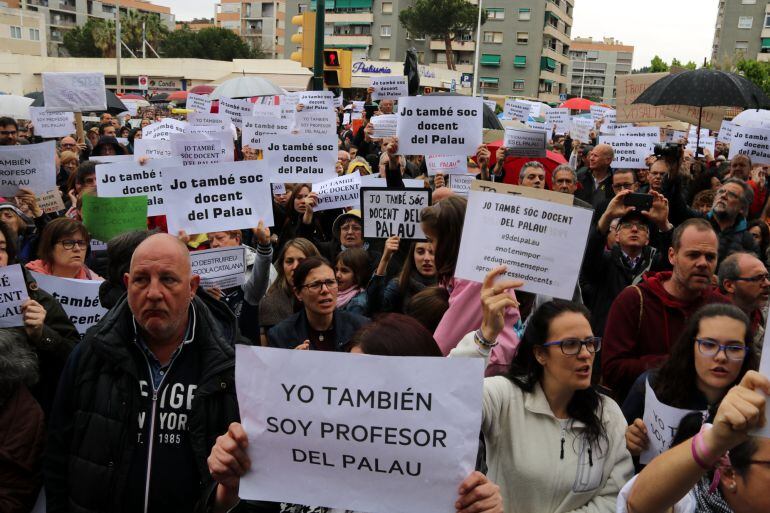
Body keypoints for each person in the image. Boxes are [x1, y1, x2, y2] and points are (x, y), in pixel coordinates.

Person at [207, 314, 503, 513]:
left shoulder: (453, 464)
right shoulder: (304, 442)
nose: (361, 399)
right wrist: (229, 488)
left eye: (379, 388)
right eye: (350, 379)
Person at [44, 233, 244, 512]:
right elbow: (56, 453)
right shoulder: (91, 352)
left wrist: (228, 491)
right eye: (141, 279)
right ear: (127, 285)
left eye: (168, 279)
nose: (153, 292)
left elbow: (250, 485)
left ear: (192, 287)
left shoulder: (231, 365)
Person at [450, 267, 634, 513]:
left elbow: (615, 498)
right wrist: (485, 336)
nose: (585, 354)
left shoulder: (608, 413)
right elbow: (448, 399)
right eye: (570, 344)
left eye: (590, 344)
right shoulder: (505, 396)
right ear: (540, 354)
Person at [602, 218, 729, 400]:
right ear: (672, 256)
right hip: (641, 421)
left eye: (710, 257)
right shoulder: (634, 300)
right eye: (693, 255)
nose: (703, 263)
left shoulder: (723, 309)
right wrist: (675, 363)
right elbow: (612, 371)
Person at [622, 304, 757, 459]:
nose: (721, 356)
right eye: (708, 345)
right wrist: (628, 440)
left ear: (747, 353)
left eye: (734, 348)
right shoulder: (652, 385)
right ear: (691, 345)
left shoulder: (755, 404)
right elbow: (616, 449)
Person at [624, 371, 770, 513]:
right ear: (728, 474)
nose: (720, 357)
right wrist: (713, 440)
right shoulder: (689, 502)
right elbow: (637, 504)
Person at [421, 196, 521, 376]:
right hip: (480, 356)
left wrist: (422, 370)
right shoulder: (460, 268)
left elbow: (446, 339)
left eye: (432, 240)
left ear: (449, 240)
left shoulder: (474, 275)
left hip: (493, 362)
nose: (430, 248)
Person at [0, 222, 79, 415]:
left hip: (21, 420)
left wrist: (42, 334)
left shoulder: (36, 298)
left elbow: (75, 358)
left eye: (1, 248)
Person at [582, 190, 673, 336]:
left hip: (645, 336)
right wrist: (608, 216)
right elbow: (590, 256)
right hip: (608, 337)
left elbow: (673, 262)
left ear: (648, 239)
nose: (635, 229)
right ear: (616, 236)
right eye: (627, 226)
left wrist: (664, 224)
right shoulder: (604, 261)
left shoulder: (655, 262)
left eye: (642, 227)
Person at [267, 256, 369, 351]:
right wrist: (290, 362)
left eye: (330, 282)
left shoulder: (362, 328)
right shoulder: (280, 335)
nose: (325, 290)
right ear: (298, 293)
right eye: (315, 285)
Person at [667, 176, 759, 263]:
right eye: (721, 191)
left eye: (732, 194)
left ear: (742, 208)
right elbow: (678, 208)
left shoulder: (748, 242)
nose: (723, 196)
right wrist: (673, 177)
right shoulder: (697, 221)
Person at [259, 238, 320, 341]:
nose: (295, 266)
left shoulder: (327, 295)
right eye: (289, 261)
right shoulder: (270, 304)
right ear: (282, 266)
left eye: (302, 261)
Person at [717, 252, 770, 356]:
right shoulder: (710, 320)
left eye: (766, 276)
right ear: (729, 285)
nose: (767, 283)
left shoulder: (760, 315)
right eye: (757, 278)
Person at [368, 235, 437, 313]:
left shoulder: (451, 287)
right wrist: (385, 259)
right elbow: (375, 308)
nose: (427, 258)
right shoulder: (400, 284)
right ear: (412, 255)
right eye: (420, 252)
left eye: (433, 252)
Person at [25, 217, 101, 280]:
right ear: (50, 247)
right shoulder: (28, 279)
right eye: (68, 243)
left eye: (81, 243)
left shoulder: (95, 281)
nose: (77, 248)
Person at [576, 143, 615, 208]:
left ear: (608, 160)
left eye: (595, 156)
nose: (591, 158)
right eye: (591, 155)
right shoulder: (580, 176)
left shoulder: (614, 182)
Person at [334, 248, 370, 316]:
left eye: (344, 271)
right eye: (336, 269)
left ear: (358, 275)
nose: (337, 275)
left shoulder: (357, 304)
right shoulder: (333, 293)